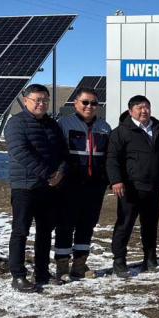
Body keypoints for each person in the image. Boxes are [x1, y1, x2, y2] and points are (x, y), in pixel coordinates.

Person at [4, 84, 68, 292]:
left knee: (45, 231)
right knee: (20, 231)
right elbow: (20, 153)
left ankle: (42, 272)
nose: (42, 103)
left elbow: (63, 152)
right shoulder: (16, 123)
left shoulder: (52, 124)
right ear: (26, 101)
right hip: (25, 186)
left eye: (45, 100)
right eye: (37, 100)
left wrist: (60, 173)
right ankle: (18, 276)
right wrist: (49, 174)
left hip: (48, 188)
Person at [106, 95, 159, 277]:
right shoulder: (121, 132)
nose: (144, 111)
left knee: (150, 225)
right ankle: (119, 261)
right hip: (130, 188)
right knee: (125, 225)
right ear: (130, 110)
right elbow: (112, 158)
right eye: (139, 107)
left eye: (146, 107)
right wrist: (116, 180)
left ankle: (150, 258)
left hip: (153, 188)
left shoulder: (158, 131)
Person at [53, 87, 111, 280]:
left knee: (87, 224)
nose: (89, 106)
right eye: (85, 102)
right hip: (69, 184)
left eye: (94, 103)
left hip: (94, 185)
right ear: (75, 103)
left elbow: (109, 156)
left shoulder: (104, 127)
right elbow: (56, 153)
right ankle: (62, 266)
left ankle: (79, 264)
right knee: (65, 224)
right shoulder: (64, 124)